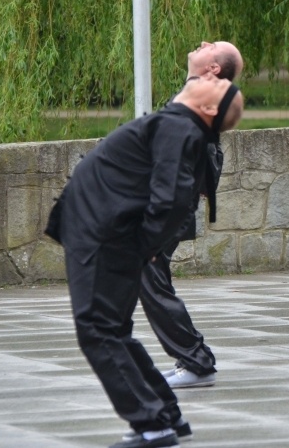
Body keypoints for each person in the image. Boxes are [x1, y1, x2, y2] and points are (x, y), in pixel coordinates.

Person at [45, 73, 243, 448]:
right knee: (113, 331)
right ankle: (166, 413)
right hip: (103, 232)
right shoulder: (178, 126)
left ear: (209, 107)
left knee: (97, 330)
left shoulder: (178, 129)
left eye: (216, 83)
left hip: (106, 237)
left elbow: (171, 199)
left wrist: (144, 246)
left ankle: (152, 425)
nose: (208, 77)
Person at [144, 41, 244, 390]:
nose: (203, 43)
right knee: (151, 278)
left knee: (149, 276)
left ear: (214, 68)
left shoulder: (206, 97)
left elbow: (195, 152)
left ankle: (196, 360)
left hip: (167, 205)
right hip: (165, 202)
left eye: (212, 46)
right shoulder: (193, 93)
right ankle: (191, 358)